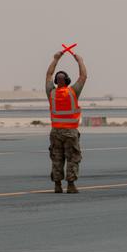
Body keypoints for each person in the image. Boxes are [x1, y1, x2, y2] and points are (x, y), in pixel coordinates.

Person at [45, 50, 87, 193]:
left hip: (56, 131)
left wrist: (56, 58)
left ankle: (57, 185)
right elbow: (83, 76)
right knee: (72, 158)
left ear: (57, 82)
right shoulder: (73, 92)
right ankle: (71, 185)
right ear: (68, 80)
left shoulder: (51, 93)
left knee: (57, 158)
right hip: (70, 131)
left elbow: (48, 75)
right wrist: (79, 60)